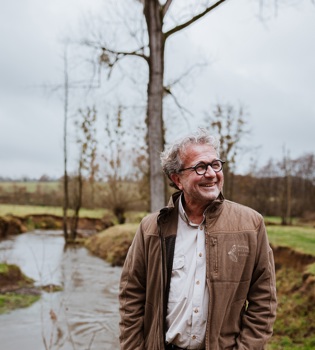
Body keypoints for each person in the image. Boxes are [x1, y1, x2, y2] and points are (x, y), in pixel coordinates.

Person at [119, 129, 277, 350]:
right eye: (200, 167)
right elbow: (131, 296)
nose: (212, 174)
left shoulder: (251, 224)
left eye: (215, 165)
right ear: (177, 179)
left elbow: (264, 300)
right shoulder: (151, 228)